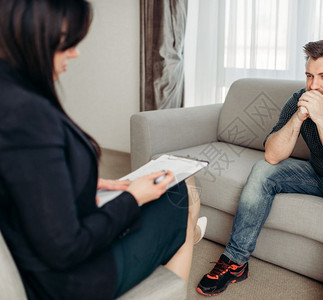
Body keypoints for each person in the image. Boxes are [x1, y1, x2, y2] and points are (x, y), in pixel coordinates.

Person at [0, 0, 206, 299]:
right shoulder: (27, 116)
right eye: (66, 41)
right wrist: (133, 197)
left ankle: (186, 233)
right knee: (180, 192)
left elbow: (25, 180)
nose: (75, 51)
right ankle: (186, 235)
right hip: (73, 280)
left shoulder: (11, 93)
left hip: (49, 257)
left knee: (174, 191)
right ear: (32, 36)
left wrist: (75, 185)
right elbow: (65, 247)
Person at [197, 37, 323, 299]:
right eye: (309, 76)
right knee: (263, 170)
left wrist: (321, 118)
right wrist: (298, 117)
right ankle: (235, 262)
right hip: (320, 174)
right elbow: (272, 155)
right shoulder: (299, 99)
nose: (314, 85)